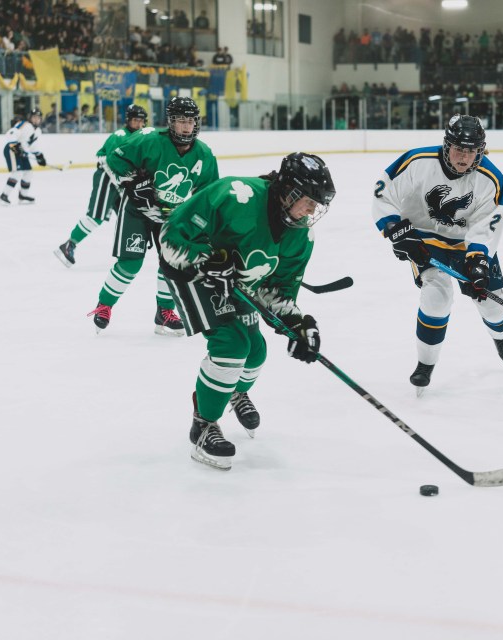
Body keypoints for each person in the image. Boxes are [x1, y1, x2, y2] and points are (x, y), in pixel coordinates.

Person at [158, 153, 336, 470]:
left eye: (316, 206)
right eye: (308, 202)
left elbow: (277, 292)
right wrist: (206, 259)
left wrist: (296, 324)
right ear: (289, 192)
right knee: (232, 345)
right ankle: (203, 424)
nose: (311, 211)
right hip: (193, 274)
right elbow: (170, 237)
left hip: (238, 282)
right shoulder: (234, 195)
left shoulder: (301, 235)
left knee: (255, 351)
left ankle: (231, 393)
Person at [371, 115, 503, 395]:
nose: (464, 157)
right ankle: (425, 364)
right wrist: (395, 229)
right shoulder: (418, 162)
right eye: (459, 149)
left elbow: (488, 222)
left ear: (480, 150)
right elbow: (382, 193)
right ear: (447, 145)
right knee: (437, 297)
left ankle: (502, 336)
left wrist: (478, 260)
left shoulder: (491, 178)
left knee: (492, 304)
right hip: (425, 242)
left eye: (471, 151)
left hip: (468, 245)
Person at [89, 96, 219, 336]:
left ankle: (164, 312)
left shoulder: (204, 155)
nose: (186, 127)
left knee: (171, 262)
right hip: (137, 210)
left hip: (173, 215)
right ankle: (104, 305)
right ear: (171, 122)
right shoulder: (149, 139)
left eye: (190, 121)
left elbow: (210, 193)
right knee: (130, 263)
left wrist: (199, 221)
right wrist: (134, 181)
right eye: (181, 121)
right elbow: (115, 158)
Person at [54, 104, 148, 268]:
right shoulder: (119, 136)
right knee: (96, 216)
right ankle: (69, 244)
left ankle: (128, 250)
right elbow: (104, 160)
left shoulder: (141, 137)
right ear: (128, 121)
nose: (139, 124)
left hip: (122, 181)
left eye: (141, 121)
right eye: (135, 121)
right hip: (107, 178)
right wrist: (119, 180)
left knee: (128, 216)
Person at [0, 108, 46, 205]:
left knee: (28, 172)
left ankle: (23, 196)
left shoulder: (38, 131)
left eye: (38, 118)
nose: (36, 119)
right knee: (17, 173)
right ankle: (3, 196)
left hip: (21, 152)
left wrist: (39, 156)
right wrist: (16, 148)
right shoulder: (24, 124)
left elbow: (32, 146)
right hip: (11, 150)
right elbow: (11, 134)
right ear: (30, 117)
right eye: (34, 117)